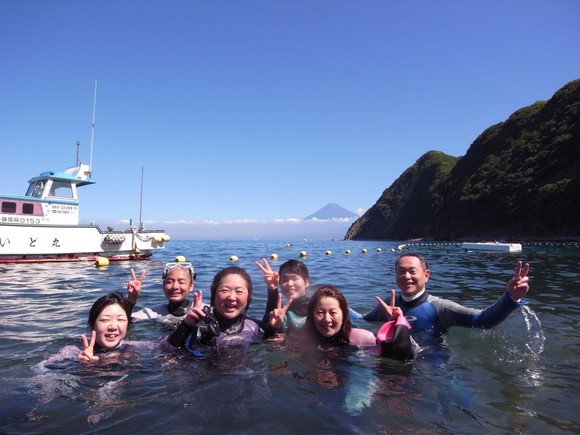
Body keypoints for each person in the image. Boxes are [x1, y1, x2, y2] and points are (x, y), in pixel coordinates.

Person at [362, 252, 530, 335]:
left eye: (412, 271)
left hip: (431, 367)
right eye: (401, 271)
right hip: (394, 364)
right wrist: (337, 303)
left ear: (426, 275)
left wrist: (510, 298)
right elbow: (361, 320)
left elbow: (482, 320)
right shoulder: (389, 305)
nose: (406, 277)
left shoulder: (440, 307)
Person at [297, 285, 416, 360]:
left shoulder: (363, 338)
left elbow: (410, 355)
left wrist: (396, 328)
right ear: (312, 315)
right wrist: (277, 329)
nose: (327, 319)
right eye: (320, 312)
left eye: (333, 313)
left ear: (344, 315)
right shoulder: (303, 338)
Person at [162, 266, 263, 353]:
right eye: (225, 290)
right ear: (213, 294)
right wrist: (187, 325)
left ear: (249, 297)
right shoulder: (196, 324)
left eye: (239, 291)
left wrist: (275, 329)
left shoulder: (255, 328)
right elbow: (166, 349)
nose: (232, 297)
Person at [128, 262, 196, 327]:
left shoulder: (203, 310)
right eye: (169, 282)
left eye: (181, 282)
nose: (175, 286)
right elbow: (122, 321)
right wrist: (131, 301)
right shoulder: (152, 314)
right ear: (163, 286)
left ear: (191, 286)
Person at [255, 258, 310, 336]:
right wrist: (272, 289)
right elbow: (267, 336)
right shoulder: (280, 313)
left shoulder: (317, 308)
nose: (290, 284)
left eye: (295, 278)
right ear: (280, 284)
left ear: (307, 282)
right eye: (285, 280)